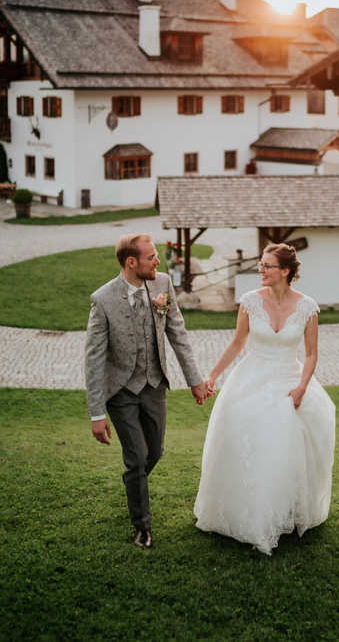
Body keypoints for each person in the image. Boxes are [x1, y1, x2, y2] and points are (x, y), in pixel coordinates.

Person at [194, 243, 335, 555]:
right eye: (260, 264)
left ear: (284, 271)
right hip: (251, 377)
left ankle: (281, 511)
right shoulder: (249, 302)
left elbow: (311, 354)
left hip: (289, 378)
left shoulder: (307, 307)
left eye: (267, 266)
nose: (260, 270)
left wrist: (301, 387)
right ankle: (240, 511)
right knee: (241, 438)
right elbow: (236, 343)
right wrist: (213, 375)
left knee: (283, 436)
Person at [85, 233, 209, 548]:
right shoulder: (102, 299)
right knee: (137, 457)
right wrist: (97, 412)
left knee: (155, 452)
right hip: (121, 391)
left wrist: (195, 379)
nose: (158, 261)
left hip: (154, 385)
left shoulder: (162, 285)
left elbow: (178, 333)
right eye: (151, 257)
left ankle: (133, 481)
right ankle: (143, 527)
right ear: (131, 262)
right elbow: (94, 358)